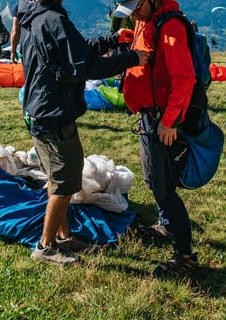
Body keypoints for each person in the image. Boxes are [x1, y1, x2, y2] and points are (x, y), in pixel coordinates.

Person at [18, 0, 148, 265]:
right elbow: (86, 66)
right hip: (53, 114)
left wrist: (110, 41)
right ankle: (45, 247)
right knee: (65, 183)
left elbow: (72, 51)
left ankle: (63, 237)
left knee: (59, 178)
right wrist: (132, 58)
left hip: (38, 110)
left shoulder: (35, 17)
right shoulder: (54, 19)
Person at [114, 0, 201, 278]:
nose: (134, 14)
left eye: (136, 7)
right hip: (150, 117)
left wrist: (170, 121)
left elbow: (185, 78)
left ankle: (184, 256)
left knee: (163, 186)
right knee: (154, 179)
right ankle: (166, 225)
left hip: (162, 121)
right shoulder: (145, 19)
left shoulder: (170, 26)